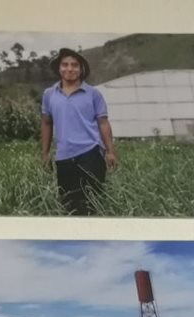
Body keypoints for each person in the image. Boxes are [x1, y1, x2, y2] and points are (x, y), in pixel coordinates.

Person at [40, 48, 118, 215]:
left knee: (92, 203)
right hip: (63, 158)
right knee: (69, 205)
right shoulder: (49, 94)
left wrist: (110, 151)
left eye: (75, 65)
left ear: (81, 69)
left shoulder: (93, 94)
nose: (70, 69)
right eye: (65, 65)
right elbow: (46, 123)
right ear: (58, 68)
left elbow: (103, 123)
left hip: (90, 154)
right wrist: (45, 154)